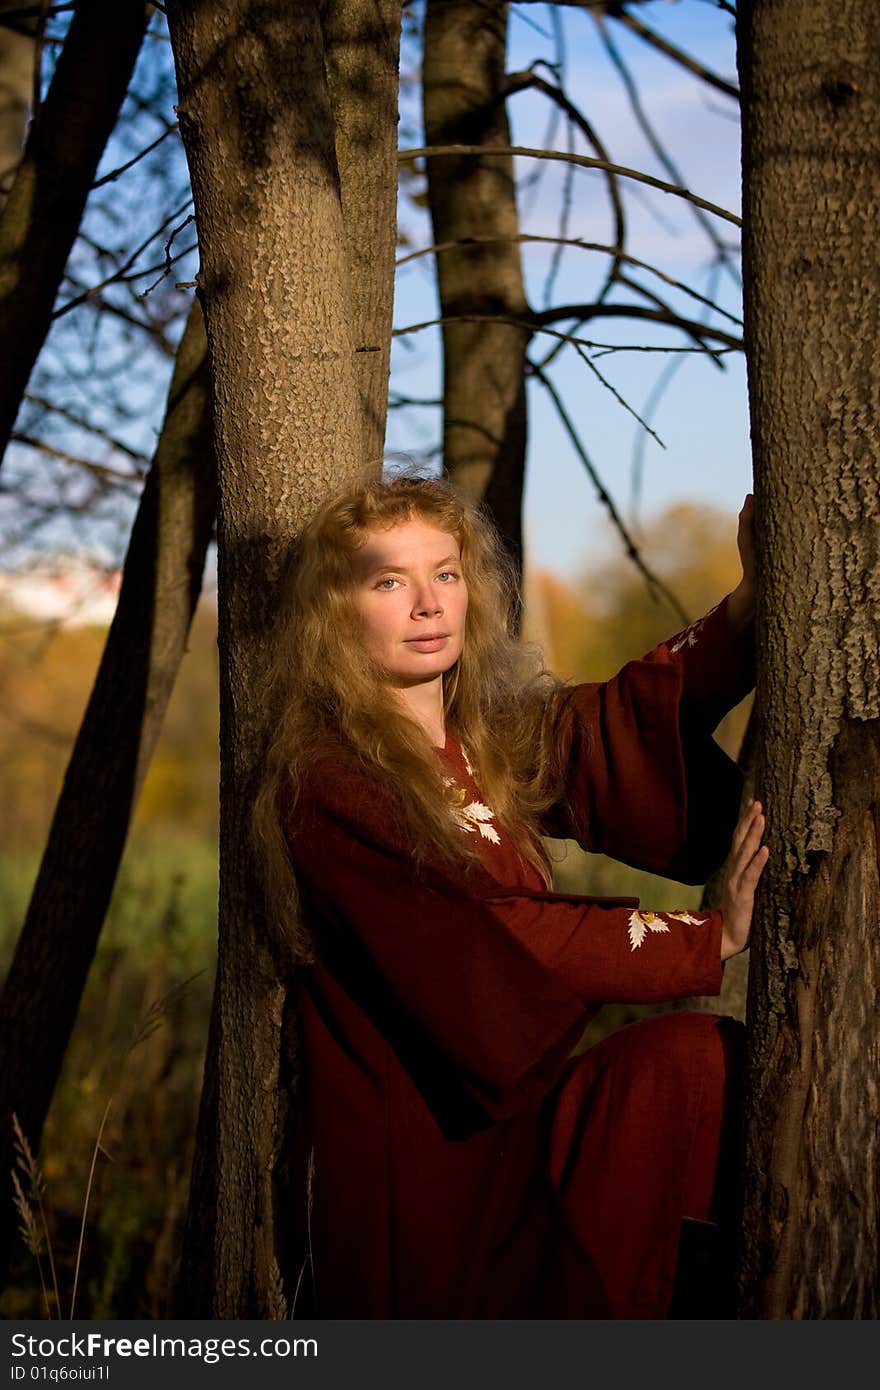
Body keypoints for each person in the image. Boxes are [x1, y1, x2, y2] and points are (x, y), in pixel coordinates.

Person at [253, 474, 768, 1320]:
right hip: (428, 1173)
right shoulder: (332, 784)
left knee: (696, 1066)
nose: (427, 603)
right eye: (389, 581)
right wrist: (704, 939)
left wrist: (746, 611)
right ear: (335, 612)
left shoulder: (481, 739)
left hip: (521, 1128)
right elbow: (502, 938)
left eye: (445, 574)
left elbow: (608, 730)